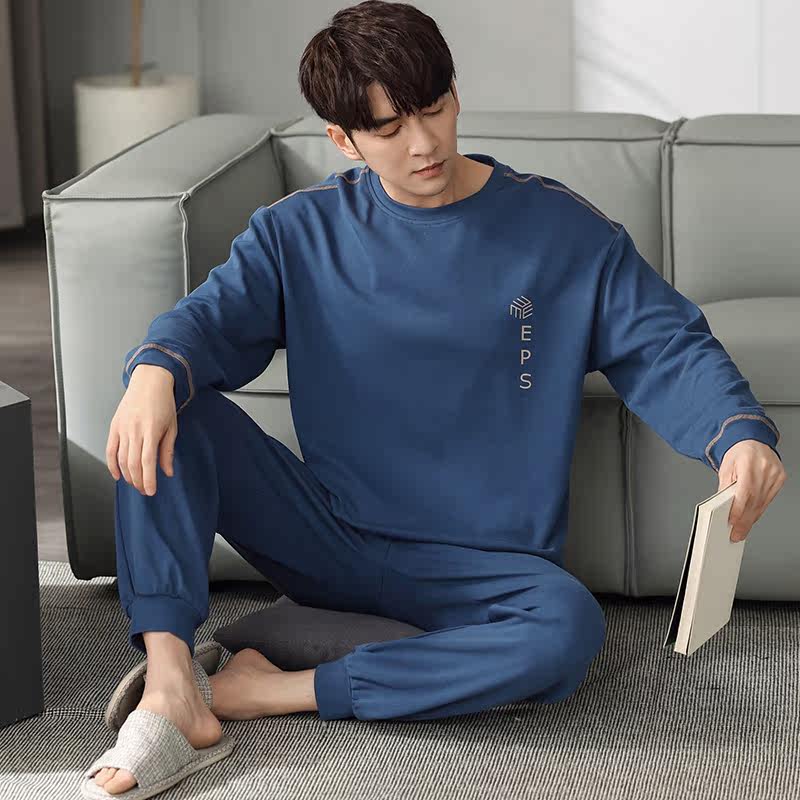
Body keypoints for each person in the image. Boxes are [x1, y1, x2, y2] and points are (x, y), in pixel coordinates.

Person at [89, 1, 787, 795]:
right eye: (388, 128)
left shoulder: (558, 230)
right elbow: (207, 320)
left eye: (433, 107)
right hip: (331, 536)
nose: (423, 143)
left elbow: (666, 342)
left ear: (455, 93)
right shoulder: (298, 234)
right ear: (343, 140)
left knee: (567, 632)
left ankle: (276, 684)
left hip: (486, 572)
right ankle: (173, 685)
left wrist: (736, 433)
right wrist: (155, 371)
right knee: (164, 410)